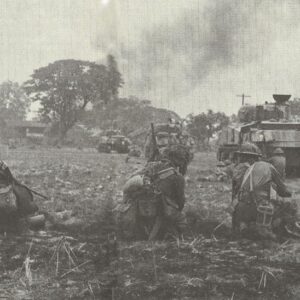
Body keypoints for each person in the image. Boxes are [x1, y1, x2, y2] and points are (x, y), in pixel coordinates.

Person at [231, 143, 298, 239]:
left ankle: (243, 227)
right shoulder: (268, 166)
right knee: (289, 206)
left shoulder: (237, 169)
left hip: (239, 210)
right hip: (258, 209)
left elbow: (234, 194)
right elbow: (283, 191)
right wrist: (291, 194)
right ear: (256, 157)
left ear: (240, 156)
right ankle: (280, 232)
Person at [121, 145, 189, 240]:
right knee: (181, 221)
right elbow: (180, 200)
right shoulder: (178, 177)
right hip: (160, 209)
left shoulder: (150, 166)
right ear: (179, 161)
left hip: (139, 206)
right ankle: (176, 239)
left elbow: (133, 178)